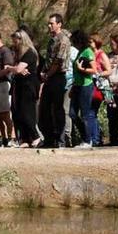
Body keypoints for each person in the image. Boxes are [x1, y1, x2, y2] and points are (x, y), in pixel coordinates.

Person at [39, 14, 71, 148]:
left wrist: (48, 74)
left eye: (52, 23)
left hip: (57, 77)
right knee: (44, 108)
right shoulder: (52, 40)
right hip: (50, 77)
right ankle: (49, 138)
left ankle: (60, 140)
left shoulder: (63, 40)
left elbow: (58, 61)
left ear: (59, 24)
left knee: (58, 109)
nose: (49, 26)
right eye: (49, 23)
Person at [11, 29, 41, 148]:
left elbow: (18, 69)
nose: (14, 44)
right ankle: (25, 138)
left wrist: (11, 68)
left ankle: (35, 137)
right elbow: (18, 69)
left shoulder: (30, 53)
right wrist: (16, 68)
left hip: (29, 86)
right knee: (18, 112)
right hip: (20, 86)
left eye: (16, 41)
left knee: (26, 112)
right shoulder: (19, 54)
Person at [69, 30, 99, 148]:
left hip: (86, 86)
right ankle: (85, 137)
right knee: (72, 113)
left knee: (85, 114)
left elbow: (94, 70)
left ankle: (87, 140)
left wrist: (82, 70)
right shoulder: (80, 52)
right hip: (77, 85)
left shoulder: (88, 52)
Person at [90, 33, 112, 145]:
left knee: (92, 112)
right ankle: (95, 137)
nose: (89, 44)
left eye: (91, 41)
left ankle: (96, 138)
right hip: (90, 85)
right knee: (90, 113)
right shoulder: (90, 54)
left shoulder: (101, 55)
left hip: (98, 86)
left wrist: (98, 74)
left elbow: (109, 70)